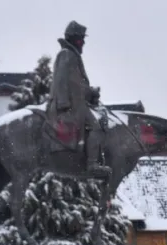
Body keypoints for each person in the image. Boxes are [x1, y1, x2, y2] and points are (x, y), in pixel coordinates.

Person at [47, 20, 109, 177]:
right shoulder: (66, 55)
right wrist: (63, 105)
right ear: (73, 39)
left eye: (83, 39)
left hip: (75, 104)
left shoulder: (71, 55)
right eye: (81, 39)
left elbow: (76, 86)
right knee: (97, 126)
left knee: (101, 118)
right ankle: (92, 164)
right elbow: (61, 81)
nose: (83, 43)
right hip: (69, 107)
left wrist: (91, 92)